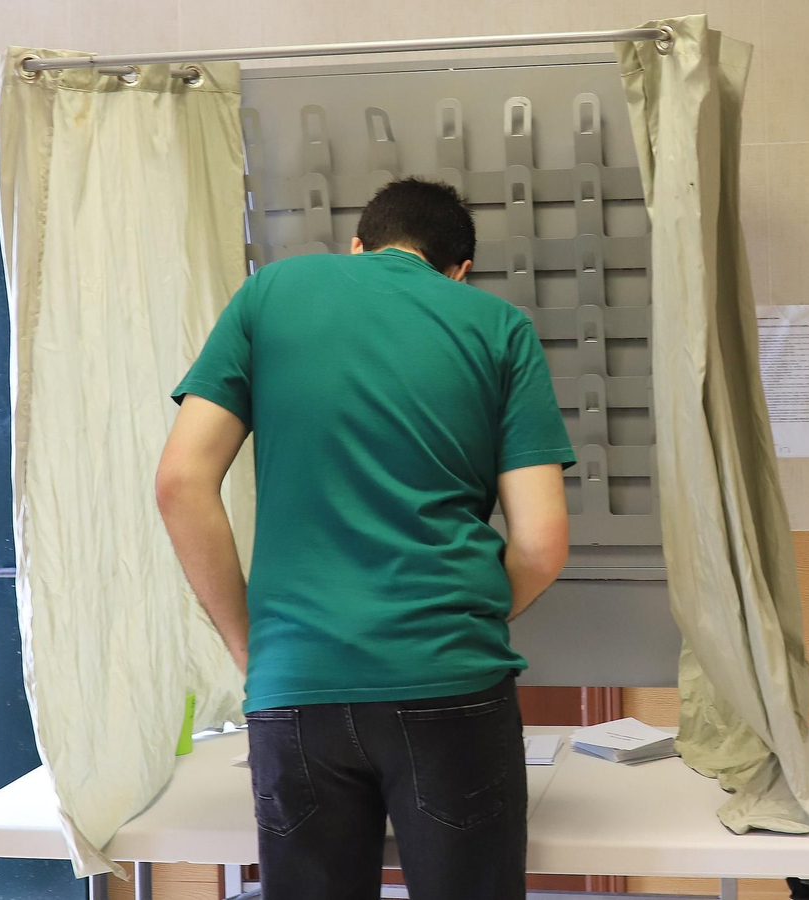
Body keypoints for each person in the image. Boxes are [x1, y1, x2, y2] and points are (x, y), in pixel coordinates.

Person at [155, 177, 575, 900]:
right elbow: (540, 544)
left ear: (358, 246)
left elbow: (179, 484)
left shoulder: (268, 296)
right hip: (450, 678)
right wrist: (459, 622)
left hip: (296, 682)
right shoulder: (498, 328)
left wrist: (253, 648)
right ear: (458, 271)